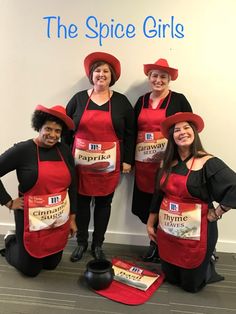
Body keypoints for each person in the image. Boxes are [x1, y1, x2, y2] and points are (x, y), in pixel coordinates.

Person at [147, 112, 236, 292]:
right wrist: (150, 223)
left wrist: (217, 213)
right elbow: (158, 194)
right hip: (169, 229)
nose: (182, 132)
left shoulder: (208, 162)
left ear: (194, 132)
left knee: (190, 285)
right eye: (177, 130)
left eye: (187, 128)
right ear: (172, 136)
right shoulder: (166, 162)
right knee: (171, 277)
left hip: (197, 233)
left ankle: (206, 266)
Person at [63, 51, 135, 261]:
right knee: (82, 204)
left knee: (104, 204)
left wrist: (128, 160)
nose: (101, 75)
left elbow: (131, 133)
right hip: (80, 165)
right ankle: (82, 243)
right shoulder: (78, 99)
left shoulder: (121, 102)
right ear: (91, 75)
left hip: (109, 165)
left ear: (111, 76)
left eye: (105, 71)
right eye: (97, 71)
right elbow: (66, 130)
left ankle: (98, 245)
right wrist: (65, 158)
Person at [0, 105, 78, 277]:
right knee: (30, 270)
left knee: (51, 265)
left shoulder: (64, 150)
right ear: (39, 127)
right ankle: (11, 241)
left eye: (57, 131)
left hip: (57, 216)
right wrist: (8, 202)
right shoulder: (23, 150)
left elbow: (73, 185)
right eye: (48, 129)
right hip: (30, 217)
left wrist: (72, 217)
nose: (53, 135)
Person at [131, 58, 192, 262]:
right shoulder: (141, 101)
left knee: (165, 202)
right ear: (149, 78)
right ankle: (155, 242)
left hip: (169, 163)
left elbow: (188, 130)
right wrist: (128, 160)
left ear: (169, 79)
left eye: (163, 76)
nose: (158, 80)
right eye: (154, 75)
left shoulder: (179, 100)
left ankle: (159, 247)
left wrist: (185, 158)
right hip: (144, 164)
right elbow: (132, 131)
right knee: (146, 204)